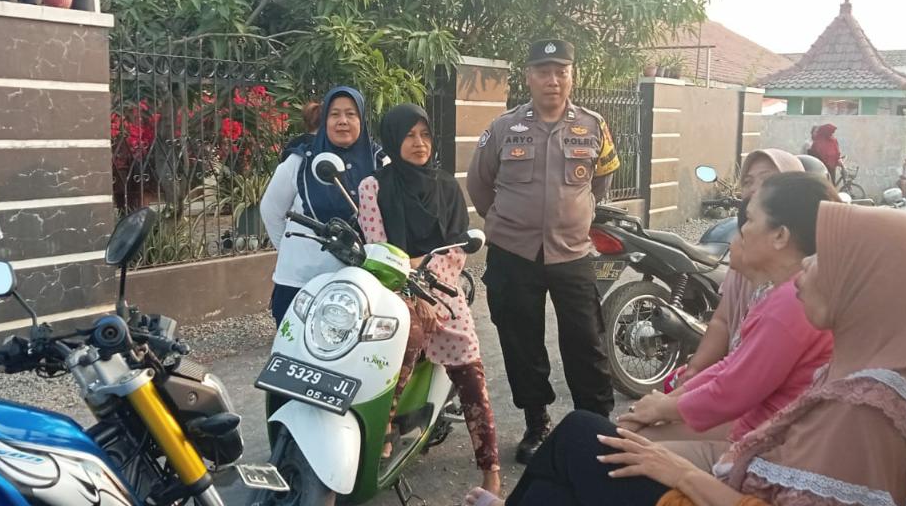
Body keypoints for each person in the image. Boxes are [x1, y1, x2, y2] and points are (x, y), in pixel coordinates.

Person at [465, 198, 906, 506]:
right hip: (734, 467)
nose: (808, 268)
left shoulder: (866, 410)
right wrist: (678, 402)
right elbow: (726, 345)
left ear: (868, 286)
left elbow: (736, 388)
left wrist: (679, 470)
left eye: (829, 260)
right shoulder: (865, 372)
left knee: (581, 437)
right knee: (577, 462)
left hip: (719, 480)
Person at [615, 173, 837, 471]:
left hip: (765, 449)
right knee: (626, 436)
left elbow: (733, 391)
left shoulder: (792, 302)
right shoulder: (779, 293)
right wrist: (668, 402)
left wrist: (664, 407)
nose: (741, 231)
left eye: (750, 220)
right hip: (751, 429)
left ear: (780, 236)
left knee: (617, 445)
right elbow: (731, 366)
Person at [466, 38, 620, 463]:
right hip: (514, 254)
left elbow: (602, 179)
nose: (553, 80)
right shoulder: (504, 128)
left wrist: (578, 213)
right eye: (543, 71)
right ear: (529, 77)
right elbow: (479, 183)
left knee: (585, 340)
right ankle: (537, 423)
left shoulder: (593, 126)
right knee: (522, 342)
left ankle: (595, 425)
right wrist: (509, 221)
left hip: (572, 253)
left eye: (561, 71)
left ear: (572, 76)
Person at [357, 103, 500, 495]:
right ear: (392, 140)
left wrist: (426, 285)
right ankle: (385, 426)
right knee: (401, 334)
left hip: (443, 289)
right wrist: (409, 286)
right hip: (392, 288)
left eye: (424, 135)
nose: (419, 143)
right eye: (409, 135)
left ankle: (490, 469)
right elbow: (377, 249)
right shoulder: (372, 188)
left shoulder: (447, 186)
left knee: (471, 370)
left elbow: (456, 251)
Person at [669, 149, 805, 389]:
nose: (754, 190)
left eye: (767, 179)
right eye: (748, 182)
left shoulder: (799, 287)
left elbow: (745, 384)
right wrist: (694, 372)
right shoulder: (747, 260)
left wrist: (679, 401)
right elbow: (723, 320)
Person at [261, 87, 380, 325]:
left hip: (359, 282)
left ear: (362, 120)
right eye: (334, 114)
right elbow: (271, 211)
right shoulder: (300, 161)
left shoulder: (378, 161)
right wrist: (290, 250)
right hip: (300, 282)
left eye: (351, 114)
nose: (343, 121)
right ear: (324, 121)